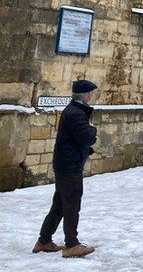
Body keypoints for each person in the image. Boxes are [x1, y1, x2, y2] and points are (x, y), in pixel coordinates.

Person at [35, 79, 98, 259]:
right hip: (69, 166)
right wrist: (93, 130)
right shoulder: (76, 113)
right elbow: (86, 138)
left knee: (61, 204)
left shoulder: (74, 111)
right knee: (71, 204)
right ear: (86, 95)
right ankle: (72, 244)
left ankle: (44, 241)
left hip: (65, 164)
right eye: (91, 94)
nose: (92, 96)